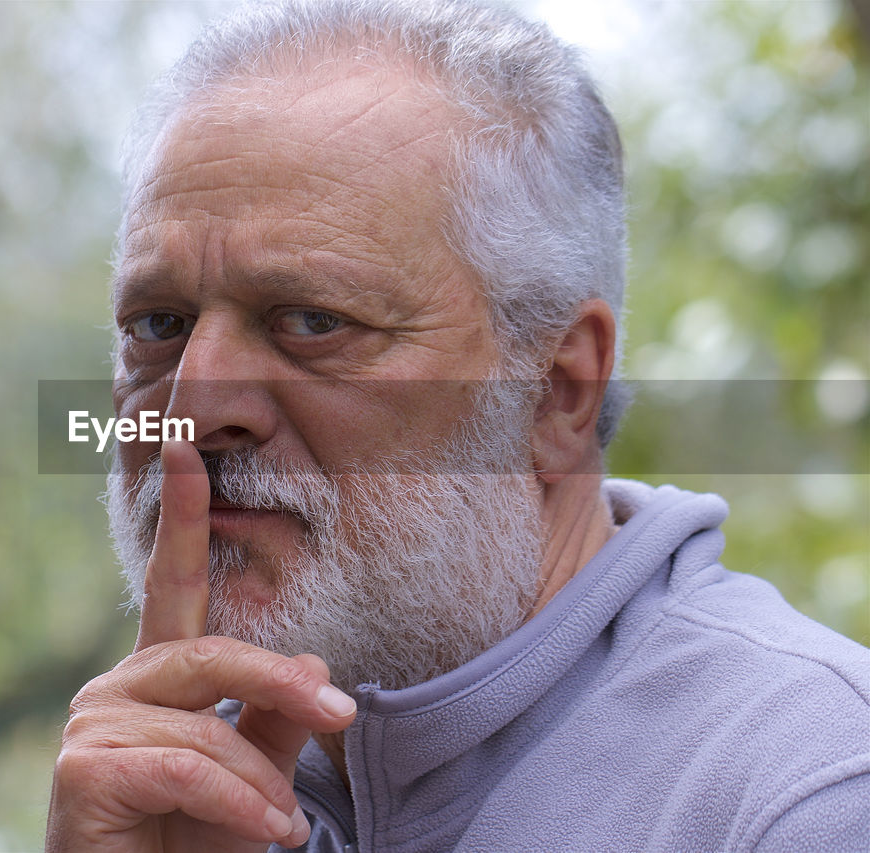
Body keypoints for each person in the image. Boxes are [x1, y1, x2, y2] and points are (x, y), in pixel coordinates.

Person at [46, 1, 870, 850]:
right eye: (157, 326)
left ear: (556, 389)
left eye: (313, 321)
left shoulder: (805, 795)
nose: (191, 408)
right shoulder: (159, 791)